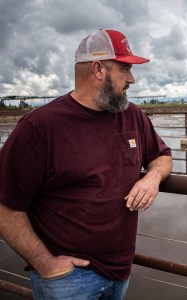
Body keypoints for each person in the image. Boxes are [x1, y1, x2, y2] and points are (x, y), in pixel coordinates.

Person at [0, 29, 172, 299]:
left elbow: (162, 155)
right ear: (98, 69)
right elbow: (6, 207)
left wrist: (152, 177)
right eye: (125, 69)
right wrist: (46, 263)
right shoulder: (40, 127)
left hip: (121, 272)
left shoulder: (132, 115)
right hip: (68, 279)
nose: (132, 79)